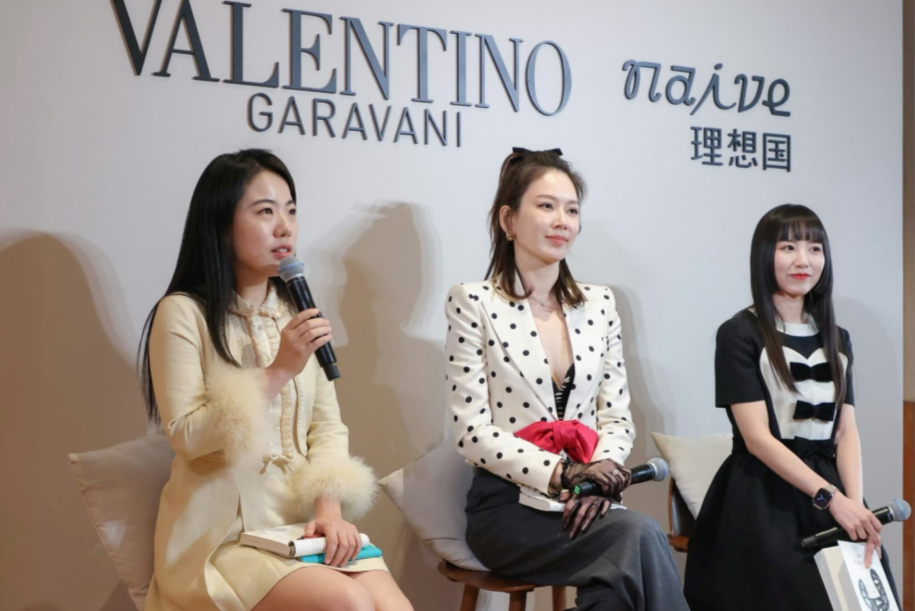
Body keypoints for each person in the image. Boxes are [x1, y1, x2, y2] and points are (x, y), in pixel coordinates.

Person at [139, 149, 413, 611]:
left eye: (291, 210)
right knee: (348, 602)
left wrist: (329, 511)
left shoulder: (296, 313)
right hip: (223, 538)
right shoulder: (182, 313)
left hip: (301, 528)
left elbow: (327, 428)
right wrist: (279, 370)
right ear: (221, 225)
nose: (284, 227)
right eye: (265, 212)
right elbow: (187, 436)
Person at [444, 147, 690, 611]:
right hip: (508, 509)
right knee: (639, 533)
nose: (562, 221)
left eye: (572, 210)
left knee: (614, 592)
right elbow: (471, 433)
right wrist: (565, 475)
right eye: (546, 206)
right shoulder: (473, 302)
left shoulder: (600, 304)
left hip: (589, 501)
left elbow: (616, 417)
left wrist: (598, 479)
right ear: (509, 220)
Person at [684, 204, 899, 610]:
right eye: (788, 247)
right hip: (762, 495)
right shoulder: (739, 333)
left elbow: (846, 430)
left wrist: (855, 504)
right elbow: (757, 438)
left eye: (815, 249)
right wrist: (833, 500)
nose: (804, 260)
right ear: (765, 256)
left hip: (832, 490)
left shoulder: (838, 337)